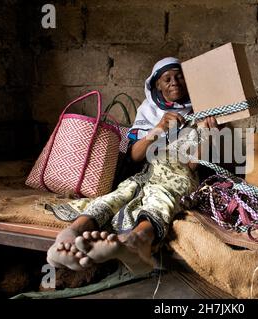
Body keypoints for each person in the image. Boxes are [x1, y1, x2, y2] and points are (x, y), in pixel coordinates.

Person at [46, 57, 218, 275]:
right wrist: (159, 129)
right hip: (146, 174)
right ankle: (70, 235)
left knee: (161, 198)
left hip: (179, 176)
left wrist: (207, 132)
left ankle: (135, 242)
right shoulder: (149, 110)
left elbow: (193, 165)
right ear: (157, 85)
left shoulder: (202, 112)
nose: (174, 82)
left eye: (179, 76)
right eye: (167, 79)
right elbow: (136, 155)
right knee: (118, 195)